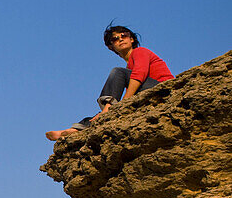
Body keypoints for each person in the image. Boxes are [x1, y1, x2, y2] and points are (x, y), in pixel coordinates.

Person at [45, 25, 174, 141]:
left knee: (117, 72)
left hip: (164, 90)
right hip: (149, 93)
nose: (121, 39)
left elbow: (139, 74)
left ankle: (108, 108)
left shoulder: (140, 52)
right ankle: (77, 129)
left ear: (132, 39)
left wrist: (123, 103)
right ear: (111, 47)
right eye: (115, 39)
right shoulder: (129, 67)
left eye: (124, 35)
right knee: (101, 115)